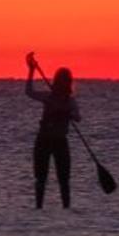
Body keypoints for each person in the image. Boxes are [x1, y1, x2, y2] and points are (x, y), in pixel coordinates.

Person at [25, 52, 81, 209]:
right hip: (43, 140)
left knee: (64, 180)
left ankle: (66, 209)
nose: (62, 84)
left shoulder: (70, 101)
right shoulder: (48, 97)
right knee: (40, 179)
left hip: (60, 142)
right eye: (61, 81)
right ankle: (38, 208)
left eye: (65, 81)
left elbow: (78, 117)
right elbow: (29, 92)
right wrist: (31, 70)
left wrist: (69, 113)